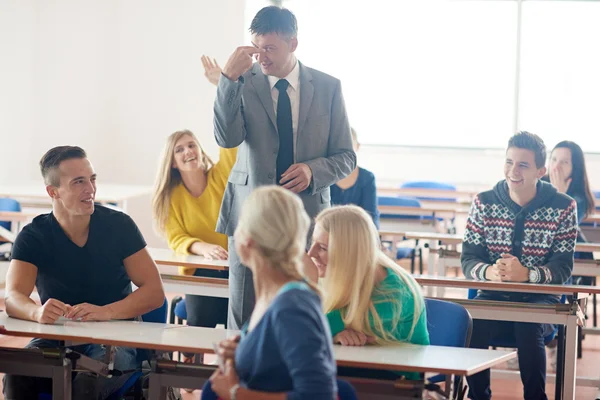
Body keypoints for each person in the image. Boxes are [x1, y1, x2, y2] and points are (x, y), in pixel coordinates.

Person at [214, 6, 356, 330]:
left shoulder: (329, 87)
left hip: (307, 215)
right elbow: (226, 138)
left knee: (306, 311)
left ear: (293, 44)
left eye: (270, 49)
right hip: (249, 211)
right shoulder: (241, 82)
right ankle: (242, 377)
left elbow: (346, 155)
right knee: (243, 313)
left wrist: (312, 171)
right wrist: (227, 80)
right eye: (256, 47)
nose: (261, 57)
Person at [3, 146, 165, 400]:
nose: (90, 189)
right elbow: (13, 297)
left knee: (88, 383)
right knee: (17, 376)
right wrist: (36, 311)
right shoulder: (33, 235)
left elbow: (155, 293)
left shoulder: (119, 225)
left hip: (115, 335)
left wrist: (106, 312)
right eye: (78, 182)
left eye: (92, 179)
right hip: (57, 336)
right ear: (52, 192)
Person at [461, 132, 578, 400]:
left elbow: (562, 269)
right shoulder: (483, 202)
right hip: (493, 297)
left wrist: (528, 275)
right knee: (471, 322)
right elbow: (468, 258)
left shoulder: (564, 206)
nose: (513, 171)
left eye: (523, 165)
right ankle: (478, 397)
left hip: (542, 303)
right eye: (509, 162)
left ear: (540, 170)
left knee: (528, 323)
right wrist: (490, 272)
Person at [201, 186, 341, 400]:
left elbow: (319, 395)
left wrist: (235, 393)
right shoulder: (273, 295)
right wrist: (241, 352)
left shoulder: (292, 305)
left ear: (248, 240)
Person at [306, 205, 429, 380]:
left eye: (323, 248)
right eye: (313, 243)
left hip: (398, 382)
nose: (311, 253)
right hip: (360, 370)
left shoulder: (397, 291)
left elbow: (309, 328)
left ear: (349, 252)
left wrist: (331, 332)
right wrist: (335, 335)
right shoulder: (340, 274)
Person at [330, 128, 379, 228]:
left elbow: (371, 216)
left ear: (357, 146)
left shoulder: (367, 177)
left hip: (358, 235)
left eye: (349, 145)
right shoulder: (325, 176)